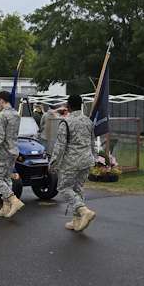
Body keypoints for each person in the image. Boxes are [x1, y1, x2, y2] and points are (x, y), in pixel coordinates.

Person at [49, 94, 97, 232]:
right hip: (86, 160)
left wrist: (53, 164)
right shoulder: (88, 121)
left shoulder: (66, 122)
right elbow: (92, 142)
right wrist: (94, 158)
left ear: (68, 106)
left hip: (72, 162)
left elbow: (60, 146)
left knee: (63, 188)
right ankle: (77, 221)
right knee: (78, 188)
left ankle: (83, 211)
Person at [0, 90, 23, 218]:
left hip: (3, 152)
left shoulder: (1, 116)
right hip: (13, 150)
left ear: (2, 100)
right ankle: (6, 207)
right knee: (7, 178)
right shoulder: (16, 114)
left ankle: (13, 200)